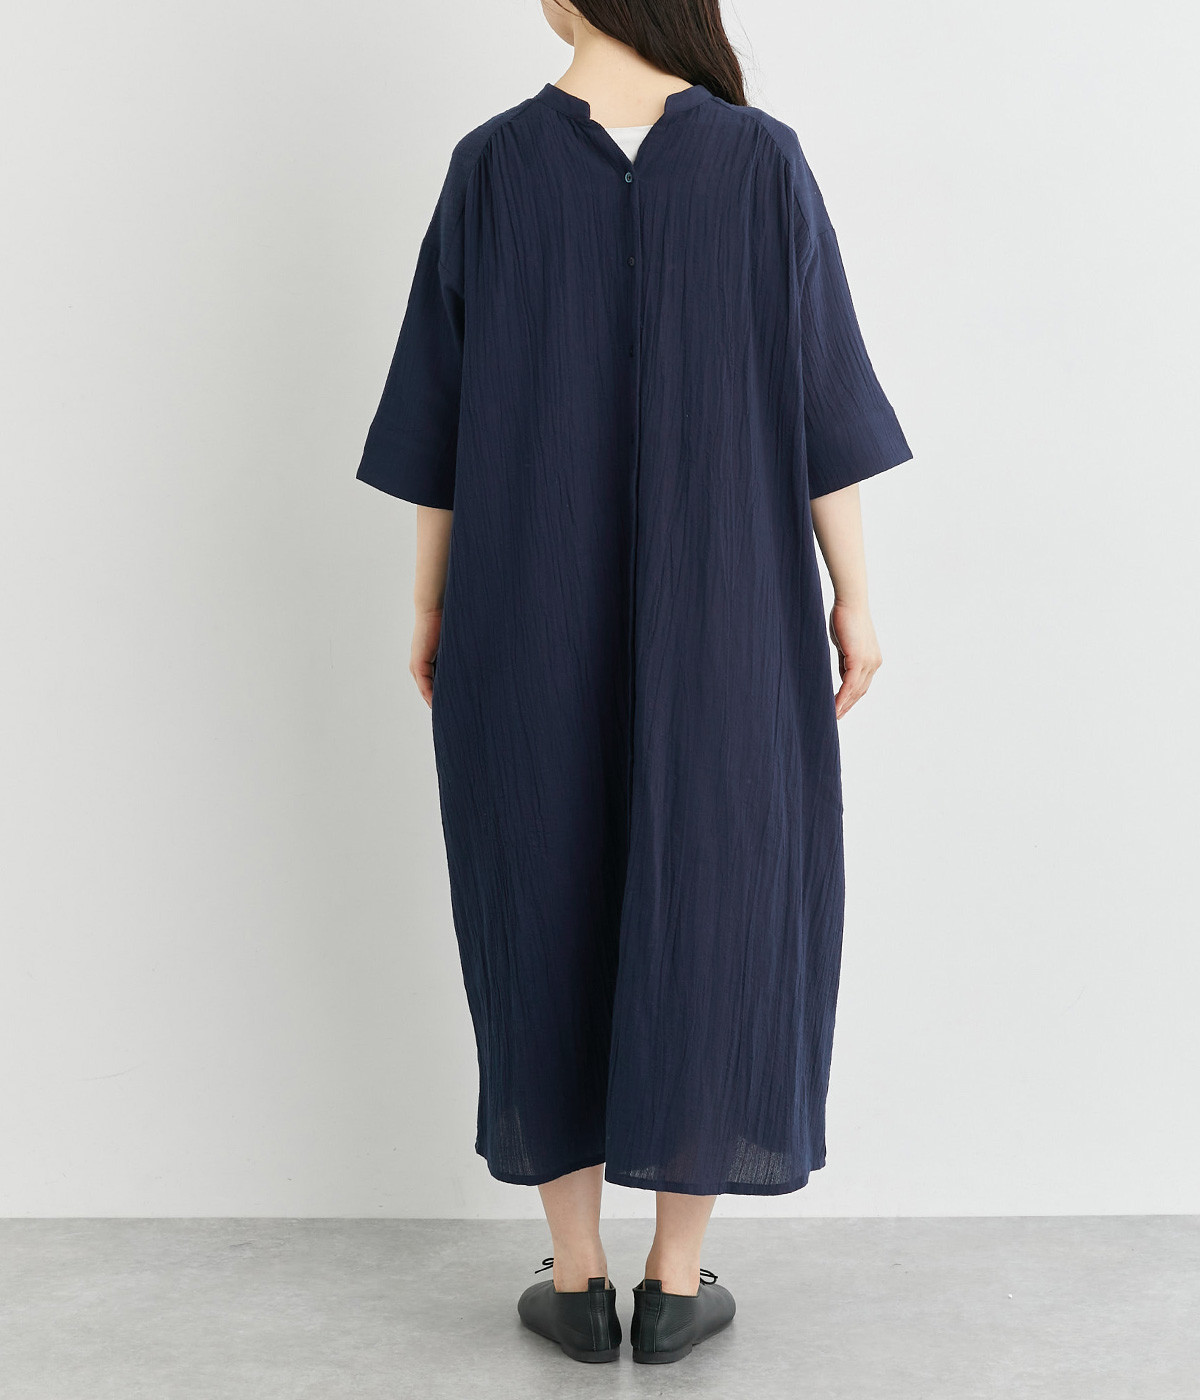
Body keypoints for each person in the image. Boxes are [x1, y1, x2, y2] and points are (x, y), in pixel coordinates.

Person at [354, 0, 912, 1367]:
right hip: (732, 613)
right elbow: (820, 398)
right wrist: (854, 593)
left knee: (536, 889)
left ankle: (576, 1273)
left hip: (518, 605)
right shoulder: (759, 162)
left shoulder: (494, 165)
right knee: (716, 899)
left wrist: (430, 602)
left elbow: (439, 414)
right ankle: (674, 1279)